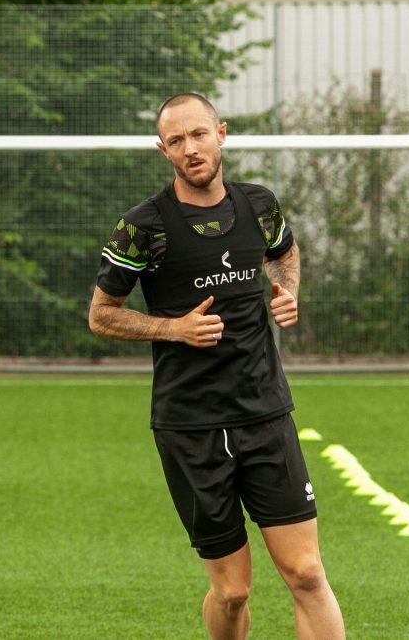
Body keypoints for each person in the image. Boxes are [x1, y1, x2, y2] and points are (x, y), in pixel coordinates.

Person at [88, 92, 345, 640]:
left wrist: (288, 292)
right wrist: (171, 328)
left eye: (199, 134)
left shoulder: (259, 205)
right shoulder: (142, 227)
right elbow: (101, 315)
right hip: (190, 427)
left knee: (306, 572)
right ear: (163, 150)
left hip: (264, 414)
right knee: (232, 592)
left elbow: (286, 252)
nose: (190, 148)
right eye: (176, 140)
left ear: (221, 134)